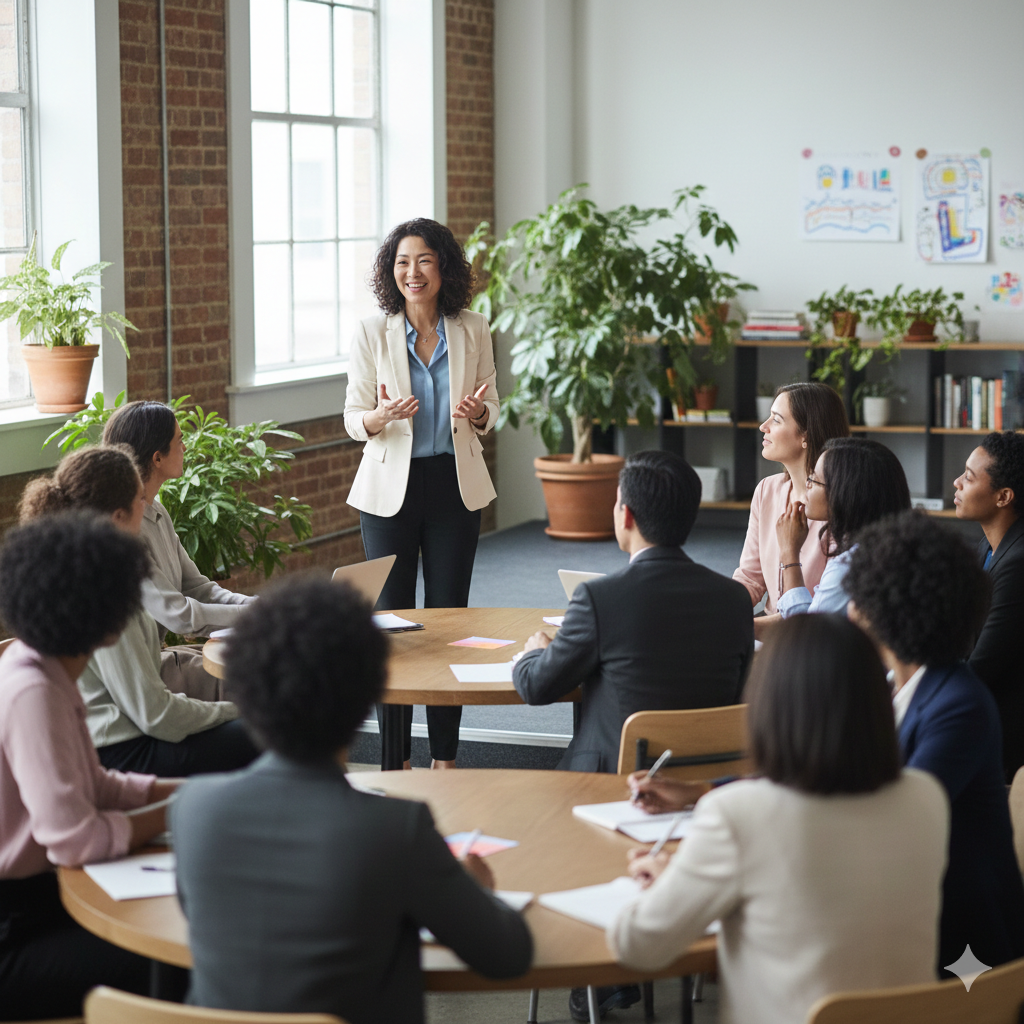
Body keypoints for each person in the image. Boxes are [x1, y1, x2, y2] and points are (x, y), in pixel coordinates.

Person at [171, 577, 532, 1024]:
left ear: (245, 689)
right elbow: (509, 955)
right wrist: (474, 885)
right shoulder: (395, 830)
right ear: (366, 700)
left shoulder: (193, 809)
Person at [610, 614, 948, 1024]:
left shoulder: (739, 815)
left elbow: (638, 946)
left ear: (769, 704)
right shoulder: (926, 796)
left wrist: (663, 885)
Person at [0, 512, 178, 1020]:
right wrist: (176, 810)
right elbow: (74, 838)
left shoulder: (42, 665)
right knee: (175, 958)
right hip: (15, 931)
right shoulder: (34, 690)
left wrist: (183, 790)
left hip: (39, 899)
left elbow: (94, 783)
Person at [343, 218, 499, 770]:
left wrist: (479, 412)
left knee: (449, 621)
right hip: (390, 491)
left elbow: (491, 406)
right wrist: (378, 417)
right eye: (403, 262)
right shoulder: (371, 332)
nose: (413, 272)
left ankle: (446, 758)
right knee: (392, 624)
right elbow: (351, 416)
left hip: (454, 487)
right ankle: (394, 759)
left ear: (444, 268)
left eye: (425, 261)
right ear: (392, 270)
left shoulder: (473, 327)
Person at [844, 510, 1024, 974]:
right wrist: (707, 793)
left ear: (880, 609)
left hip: (964, 955)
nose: (848, 611)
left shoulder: (958, 704)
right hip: (908, 905)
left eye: (855, 597)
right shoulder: (894, 687)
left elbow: (895, 812)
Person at [18, 446, 259, 777]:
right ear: (119, 516)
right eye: (139, 500)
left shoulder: (78, 570)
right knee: (265, 733)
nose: (146, 505)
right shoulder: (106, 590)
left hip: (122, 734)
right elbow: (155, 715)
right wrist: (237, 712)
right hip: (121, 750)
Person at [513, 450, 753, 774]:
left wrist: (536, 653)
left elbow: (535, 687)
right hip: (704, 778)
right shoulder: (734, 598)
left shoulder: (599, 598)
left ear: (626, 516)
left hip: (617, 782)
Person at [102, 399, 256, 639]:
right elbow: (180, 615)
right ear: (157, 458)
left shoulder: (159, 513)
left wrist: (257, 606)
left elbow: (198, 588)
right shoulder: (125, 531)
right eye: (179, 440)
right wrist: (257, 615)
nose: (184, 448)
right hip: (145, 669)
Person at [732, 382, 849, 617]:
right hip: (769, 629)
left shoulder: (839, 504)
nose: (763, 426)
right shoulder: (766, 490)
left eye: (776, 420)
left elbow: (818, 615)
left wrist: (740, 628)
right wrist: (718, 607)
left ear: (806, 434)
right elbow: (750, 578)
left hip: (813, 633)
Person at [771, 437, 910, 626]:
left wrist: (789, 553)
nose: (807, 485)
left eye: (813, 479)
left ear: (845, 495)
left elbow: (808, 634)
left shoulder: (847, 569)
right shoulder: (897, 547)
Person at [953, 432, 1024, 779]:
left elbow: (981, 666)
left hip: (1006, 739)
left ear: (1003, 497)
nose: (957, 483)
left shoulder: (1018, 562)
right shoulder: (987, 546)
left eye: (968, 477)